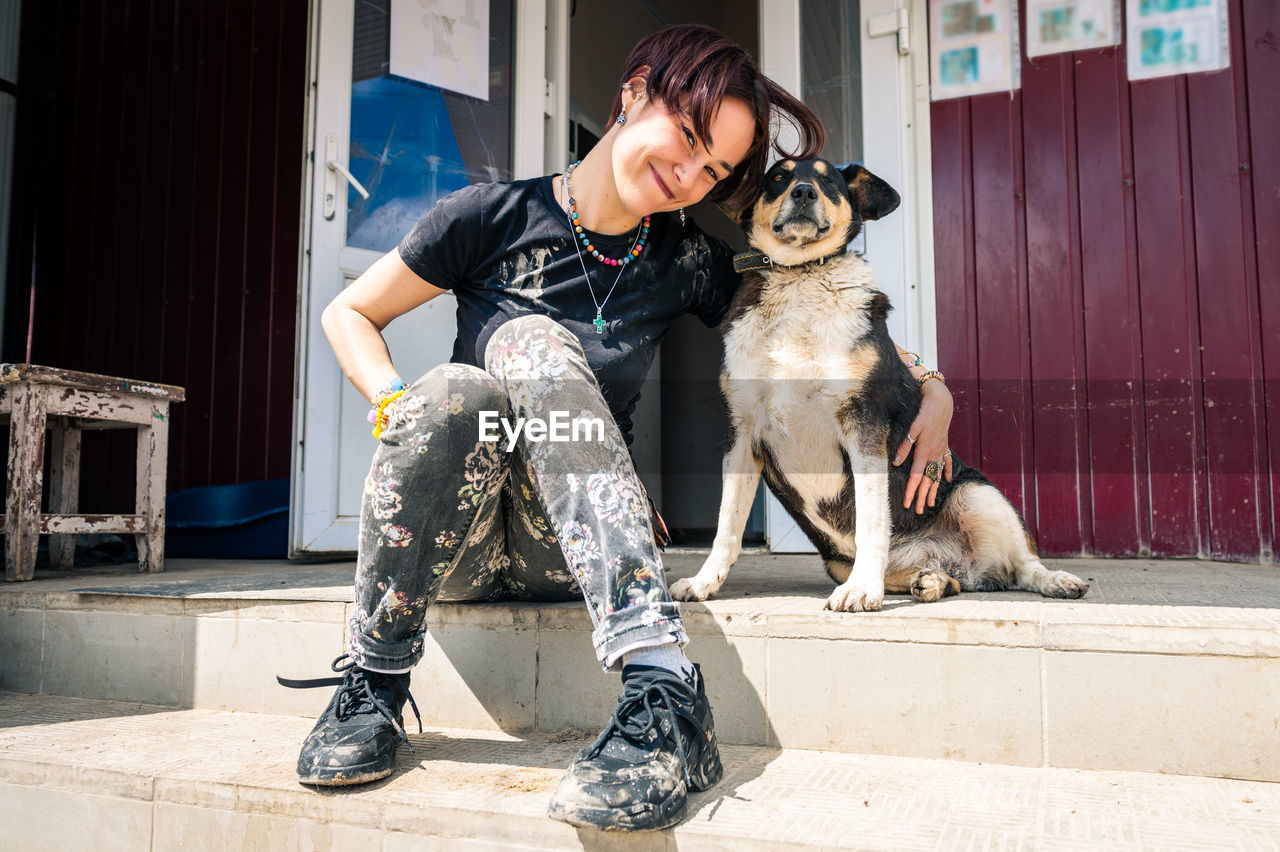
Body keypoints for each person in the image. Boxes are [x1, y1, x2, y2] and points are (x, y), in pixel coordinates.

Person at [281, 23, 954, 832]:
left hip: (567, 548)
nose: (686, 175)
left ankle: (663, 690)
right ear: (635, 93)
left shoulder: (688, 259)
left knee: (527, 342)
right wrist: (400, 408)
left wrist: (935, 393)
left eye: (712, 171)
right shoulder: (490, 214)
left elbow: (826, 321)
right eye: (690, 138)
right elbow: (349, 311)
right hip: (454, 543)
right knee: (461, 385)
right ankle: (373, 681)